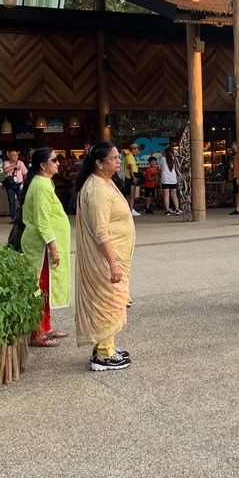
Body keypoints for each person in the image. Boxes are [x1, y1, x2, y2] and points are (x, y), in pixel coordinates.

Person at [74, 142, 135, 372]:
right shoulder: (97, 189)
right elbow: (100, 231)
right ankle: (104, 355)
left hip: (116, 256)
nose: (119, 161)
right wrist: (113, 264)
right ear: (99, 163)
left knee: (113, 301)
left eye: (119, 157)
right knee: (108, 302)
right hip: (106, 259)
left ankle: (105, 345)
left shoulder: (105, 182)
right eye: (114, 158)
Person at [19, 147, 71, 348]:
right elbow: (42, 222)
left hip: (44, 247)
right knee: (40, 290)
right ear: (42, 165)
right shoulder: (41, 185)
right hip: (41, 249)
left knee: (46, 289)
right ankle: (37, 332)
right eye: (54, 160)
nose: (58, 163)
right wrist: (53, 248)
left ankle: (46, 327)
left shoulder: (44, 182)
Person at [2, 149, 28, 220]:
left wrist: (24, 183)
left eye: (16, 155)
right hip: (10, 184)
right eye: (13, 155)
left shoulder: (21, 163)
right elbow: (5, 170)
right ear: (10, 156)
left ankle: (24, 216)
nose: (15, 157)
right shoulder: (6, 162)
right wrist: (14, 166)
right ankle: (13, 218)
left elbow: (25, 173)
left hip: (19, 183)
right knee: (11, 201)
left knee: (22, 200)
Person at [159, 145, 180, 215]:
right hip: (173, 179)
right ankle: (177, 209)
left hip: (165, 179)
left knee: (166, 195)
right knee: (174, 195)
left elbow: (160, 168)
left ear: (165, 153)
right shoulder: (173, 158)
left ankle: (167, 210)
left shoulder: (162, 159)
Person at [124, 142, 142, 217]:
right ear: (133, 149)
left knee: (130, 195)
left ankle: (130, 209)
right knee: (131, 195)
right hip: (131, 177)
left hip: (131, 177)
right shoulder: (129, 156)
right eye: (137, 149)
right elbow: (130, 168)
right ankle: (130, 210)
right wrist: (134, 177)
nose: (138, 151)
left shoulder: (131, 156)